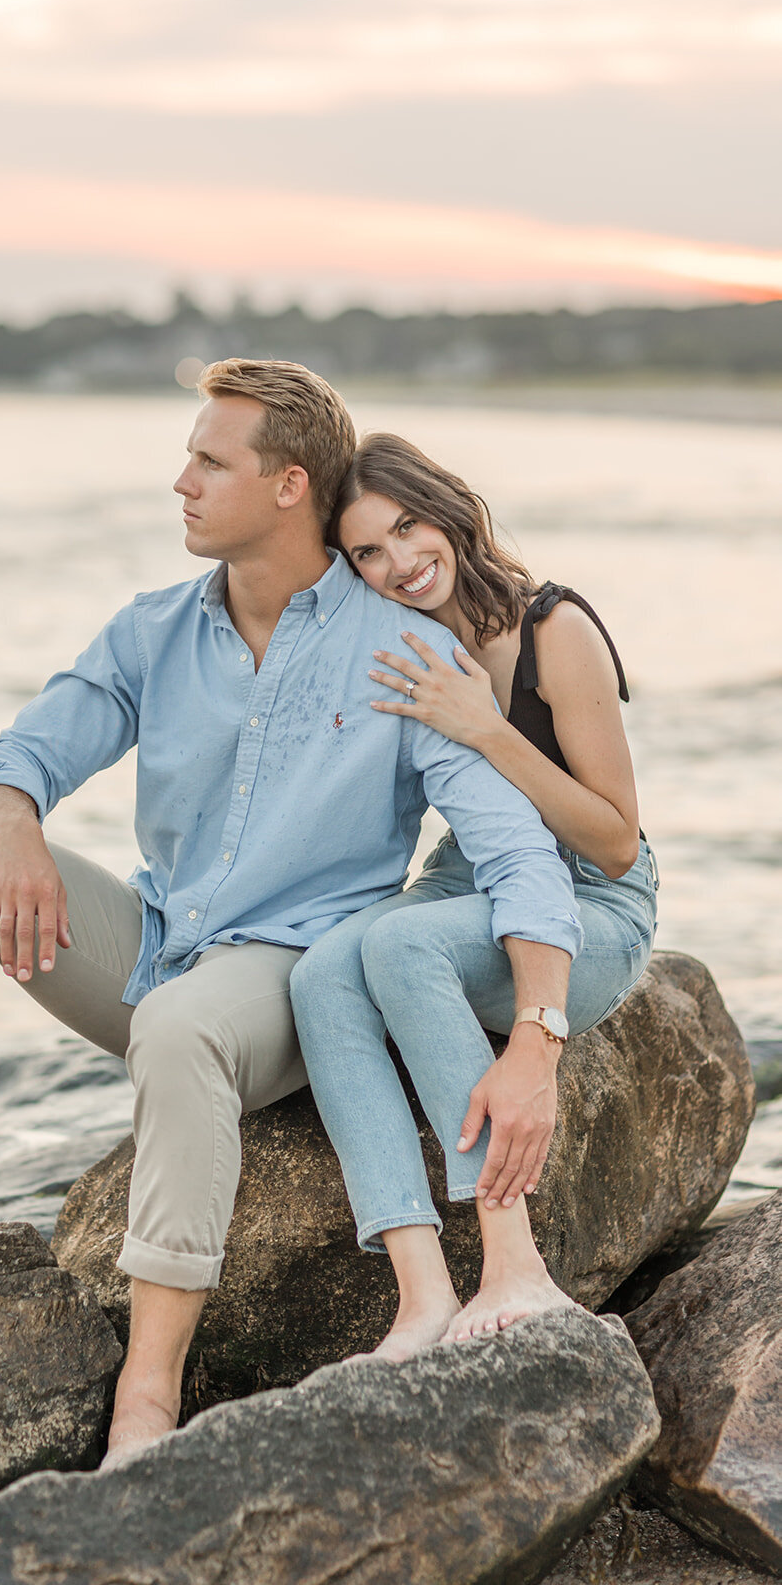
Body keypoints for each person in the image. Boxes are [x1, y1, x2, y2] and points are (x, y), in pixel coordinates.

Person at [0, 363, 582, 1465]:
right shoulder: (152, 631)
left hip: (286, 983)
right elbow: (11, 757)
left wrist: (535, 1034)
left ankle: (145, 1400)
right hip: (158, 944)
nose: (181, 481)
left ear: (289, 486)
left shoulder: (400, 651)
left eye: (210, 461)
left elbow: (517, 859)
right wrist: (16, 831)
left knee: (181, 1027)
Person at [289, 431, 659, 1359]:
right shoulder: (399, 640)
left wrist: (485, 730)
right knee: (323, 975)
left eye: (408, 528)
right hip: (463, 880)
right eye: (367, 552)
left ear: (449, 510)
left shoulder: (553, 629)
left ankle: (513, 1262)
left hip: (589, 900)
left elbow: (613, 840)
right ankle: (419, 1292)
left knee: (399, 949)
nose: (398, 564)